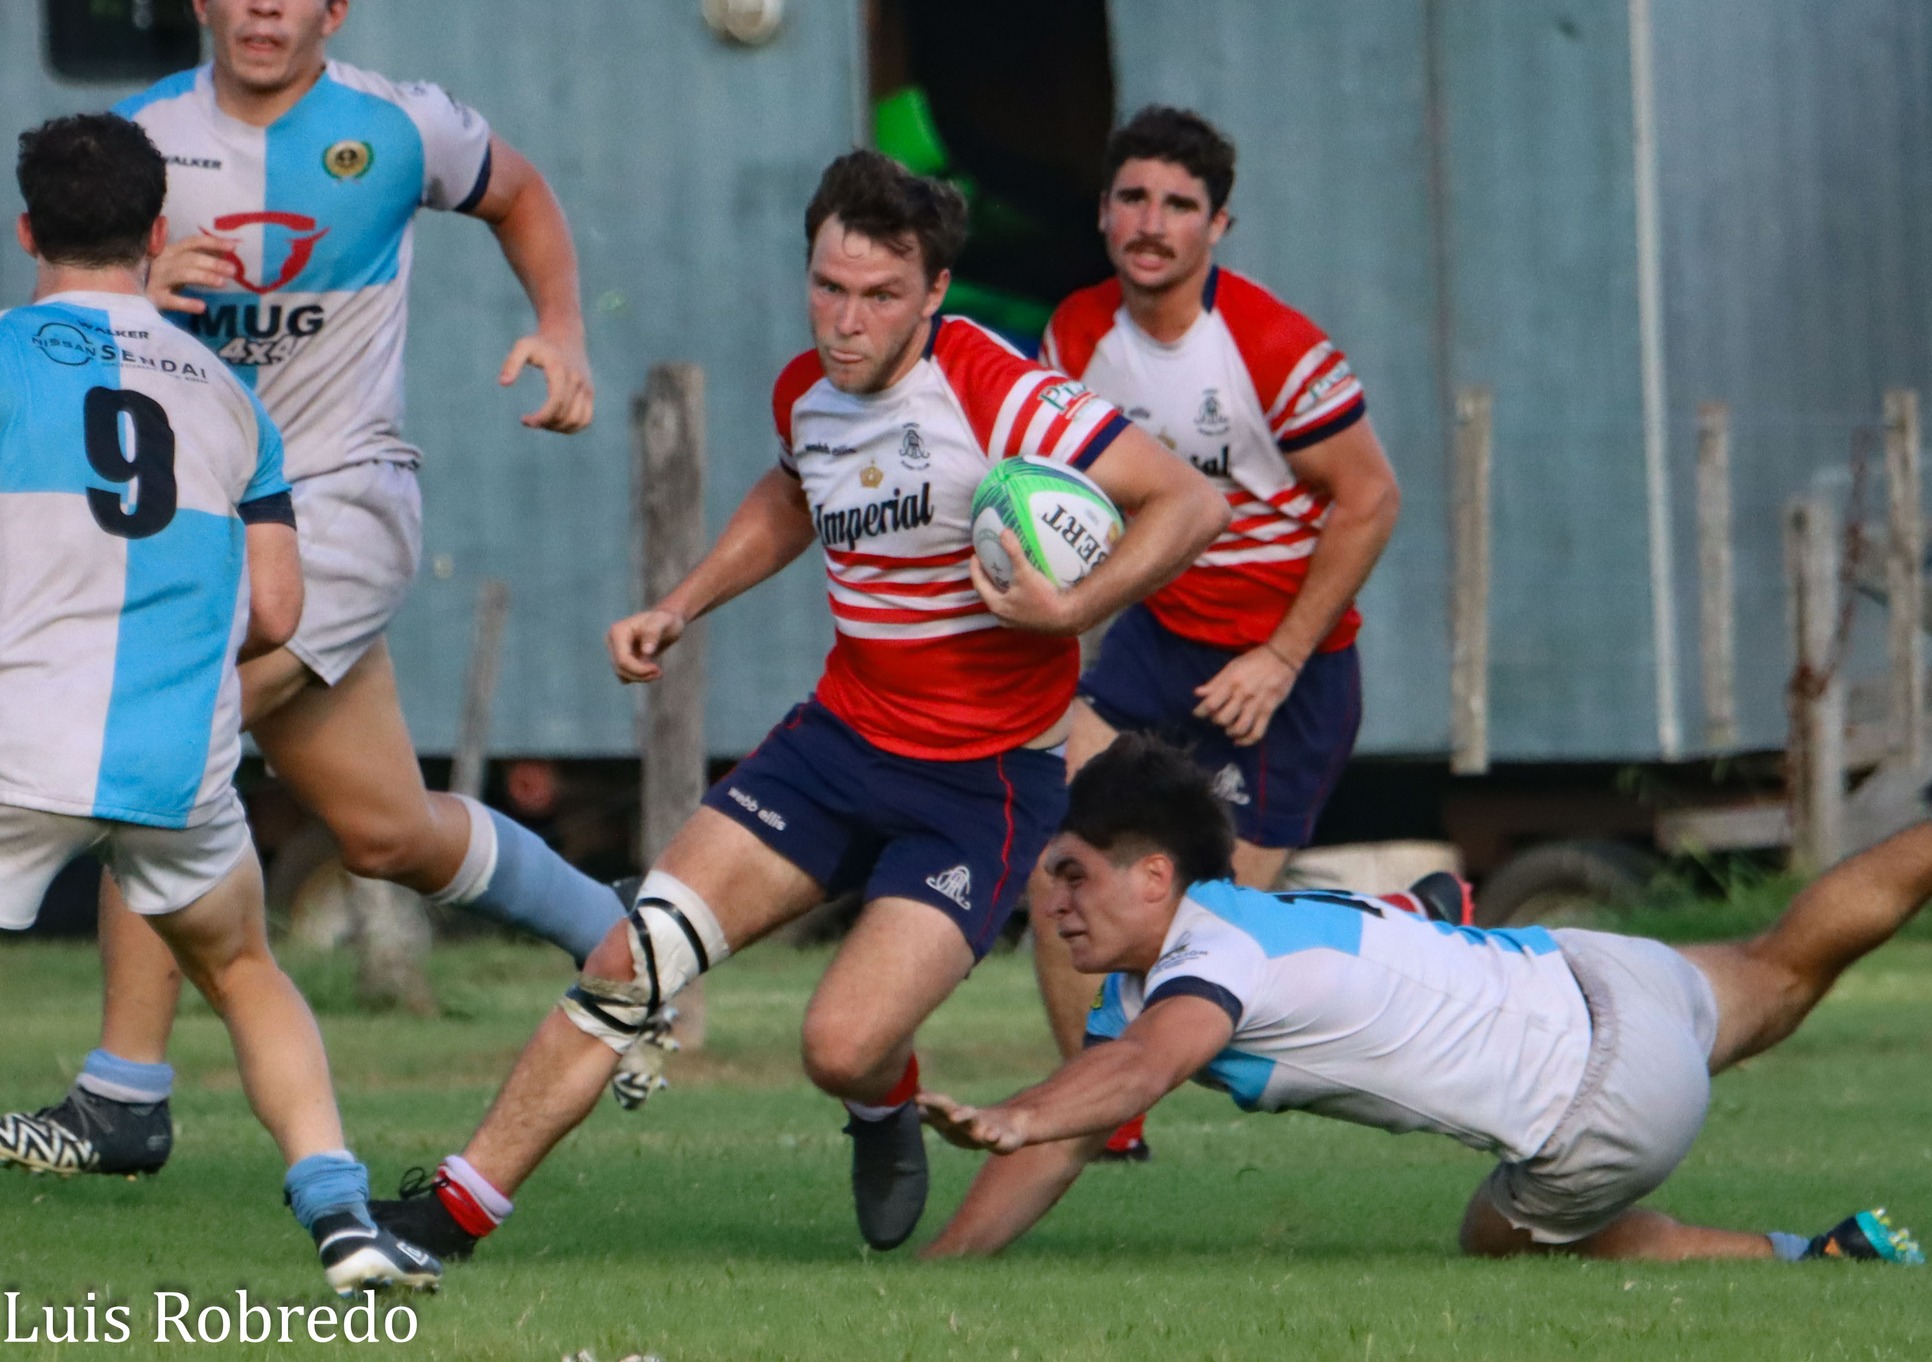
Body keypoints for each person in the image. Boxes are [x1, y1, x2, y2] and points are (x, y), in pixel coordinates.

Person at [367, 149, 1228, 1260]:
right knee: (631, 965)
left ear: (932, 294)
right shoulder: (806, 395)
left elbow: (1187, 502)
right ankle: (447, 1216)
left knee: (839, 1044)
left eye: (879, 296)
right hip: (829, 749)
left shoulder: (992, 387)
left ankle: (880, 1102)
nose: (846, 321)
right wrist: (682, 603)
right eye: (828, 287)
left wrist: (1072, 611)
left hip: (976, 791)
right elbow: (792, 493)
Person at [0, 0, 629, 1178]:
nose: (263, 9)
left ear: (333, 11)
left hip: (340, 500)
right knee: (387, 830)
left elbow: (523, 195)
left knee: (171, 722)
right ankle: (620, 935)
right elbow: (80, 309)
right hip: (206, 513)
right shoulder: (142, 135)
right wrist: (150, 280)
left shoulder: (401, 127)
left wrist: (562, 329)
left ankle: (123, 1095)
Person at [912, 730, 1932, 1266]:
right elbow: (1086, 1111)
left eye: (1069, 873)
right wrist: (941, 1273)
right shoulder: (1233, 933)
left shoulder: (1209, 964)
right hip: (1600, 969)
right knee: (1786, 959)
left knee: (1496, 1244)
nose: (1046, 899)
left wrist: (1023, 1111)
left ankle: (1803, 1258)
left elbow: (1142, 1073)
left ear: (1152, 877)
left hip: (1601, 1102)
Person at [0, 113, 437, 1294]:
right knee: (245, 969)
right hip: (170, 760)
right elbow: (281, 610)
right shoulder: (231, 396)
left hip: (18, 745)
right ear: (156, 235)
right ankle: (344, 1219)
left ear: (27, 227)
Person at [1031, 106, 1402, 1159]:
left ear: (1218, 225)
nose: (1152, 223)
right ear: (1103, 213)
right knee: (1062, 864)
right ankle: (1098, 1122)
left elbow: (1369, 499)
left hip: (1289, 665)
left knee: (1214, 936)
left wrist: (1279, 659)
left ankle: (1413, 913)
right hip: (1155, 642)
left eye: (1179, 206)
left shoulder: (1271, 346)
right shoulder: (1069, 335)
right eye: (1134, 199)